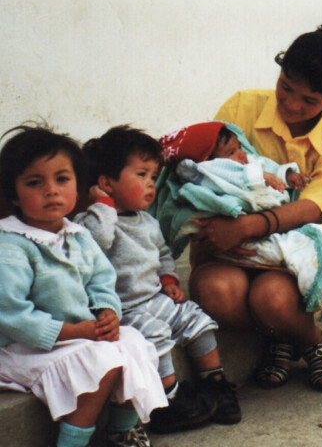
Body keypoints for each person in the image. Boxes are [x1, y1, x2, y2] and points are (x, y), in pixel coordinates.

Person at [189, 25, 322, 393]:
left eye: (310, 100)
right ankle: (279, 336)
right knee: (212, 290)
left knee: (272, 299)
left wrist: (248, 227)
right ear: (280, 70)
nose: (293, 105)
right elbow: (208, 170)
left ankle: (308, 337)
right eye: (286, 87)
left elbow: (314, 206)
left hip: (291, 259)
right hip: (230, 249)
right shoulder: (240, 107)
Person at [0, 125, 166, 447]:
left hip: (80, 336)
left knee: (135, 343)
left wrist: (107, 312)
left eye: (62, 179)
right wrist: (74, 332)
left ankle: (121, 431)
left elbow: (101, 280)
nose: (51, 191)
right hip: (26, 347)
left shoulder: (77, 234)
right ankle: (72, 442)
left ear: (78, 185)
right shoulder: (11, 245)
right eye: (35, 183)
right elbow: (10, 314)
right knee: (100, 361)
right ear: (14, 195)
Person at [75, 126, 241, 433]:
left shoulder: (148, 221)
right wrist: (104, 206)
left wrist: (168, 280)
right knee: (155, 337)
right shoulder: (90, 221)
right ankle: (168, 400)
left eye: (153, 176)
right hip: (124, 310)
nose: (151, 183)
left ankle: (214, 382)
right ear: (106, 183)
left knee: (196, 319)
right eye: (141, 175)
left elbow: (164, 253)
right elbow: (96, 243)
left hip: (155, 298)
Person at [160, 120, 307, 192]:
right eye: (231, 152)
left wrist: (287, 176)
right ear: (208, 160)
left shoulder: (250, 162)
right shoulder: (208, 172)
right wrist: (260, 177)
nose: (241, 154)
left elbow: (268, 166)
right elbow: (228, 174)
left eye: (239, 147)